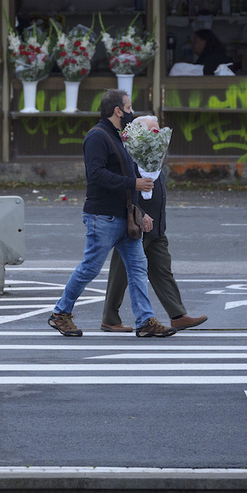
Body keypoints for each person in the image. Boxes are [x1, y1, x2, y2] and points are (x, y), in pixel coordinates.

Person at [49, 90, 176, 339]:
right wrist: (134, 183)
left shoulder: (119, 137)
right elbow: (95, 174)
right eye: (128, 107)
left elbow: (125, 177)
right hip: (103, 217)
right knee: (90, 268)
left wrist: (140, 210)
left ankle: (145, 321)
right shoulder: (97, 136)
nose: (131, 112)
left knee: (138, 268)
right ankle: (60, 313)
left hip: (125, 216)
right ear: (118, 111)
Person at [101, 116, 209, 333]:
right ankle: (110, 318)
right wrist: (141, 214)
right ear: (139, 135)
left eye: (158, 130)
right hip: (135, 226)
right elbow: (123, 192)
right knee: (120, 274)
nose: (157, 135)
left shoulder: (153, 156)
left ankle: (177, 315)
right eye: (152, 131)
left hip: (156, 228)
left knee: (162, 270)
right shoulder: (128, 157)